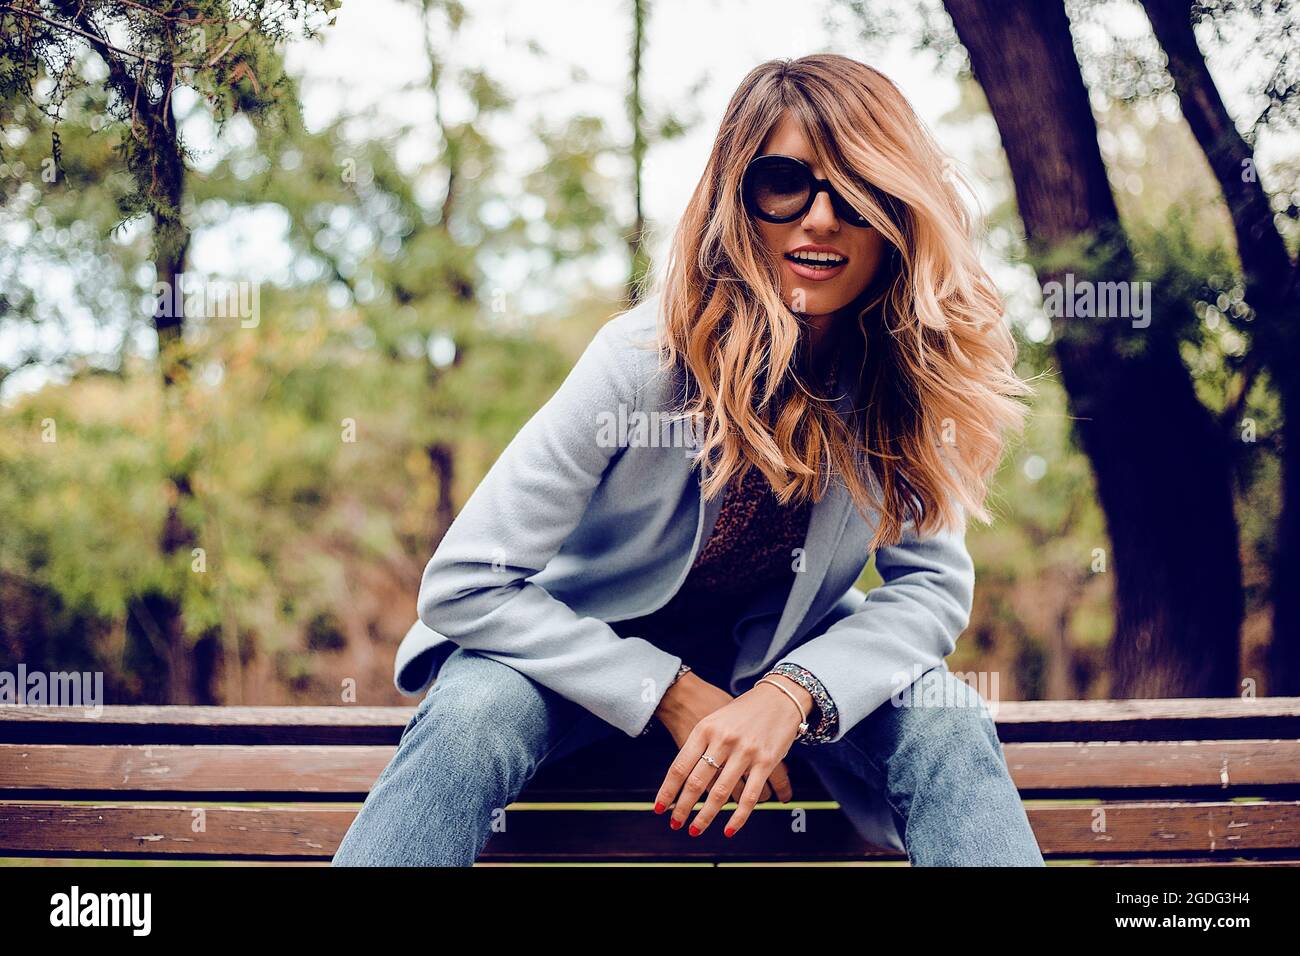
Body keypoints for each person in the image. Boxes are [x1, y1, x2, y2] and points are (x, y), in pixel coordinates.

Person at [333, 53, 1043, 866]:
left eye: (856, 191)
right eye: (785, 183)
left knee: (949, 716)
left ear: (899, 214)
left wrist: (794, 693)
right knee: (473, 714)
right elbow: (464, 584)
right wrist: (664, 690)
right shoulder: (639, 360)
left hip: (787, 663)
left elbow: (931, 589)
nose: (819, 219)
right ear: (737, 198)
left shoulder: (899, 379)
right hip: (577, 654)